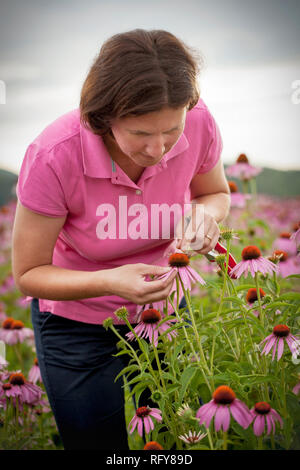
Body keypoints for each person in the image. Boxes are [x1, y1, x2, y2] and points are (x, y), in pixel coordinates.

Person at [12, 29, 230, 450]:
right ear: (104, 117)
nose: (160, 149)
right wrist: (111, 281)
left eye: (171, 130)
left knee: (174, 441)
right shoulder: (54, 155)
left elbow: (213, 192)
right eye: (140, 134)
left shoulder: (200, 121)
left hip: (164, 313)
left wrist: (205, 216)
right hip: (74, 325)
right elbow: (29, 274)